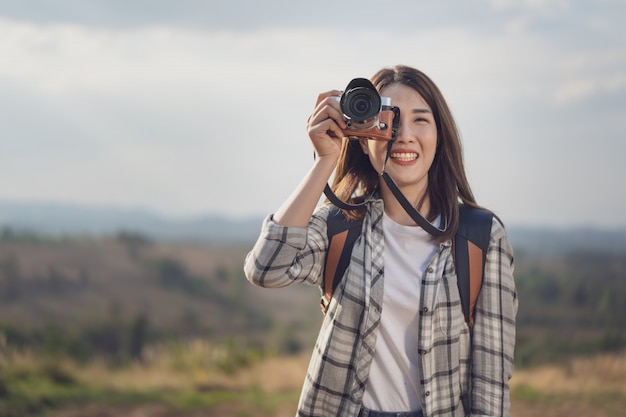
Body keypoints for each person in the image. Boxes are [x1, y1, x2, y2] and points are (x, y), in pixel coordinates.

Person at [244, 65, 517, 417]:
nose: (404, 135)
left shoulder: (479, 236)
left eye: (421, 120)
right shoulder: (340, 225)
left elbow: (491, 384)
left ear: (440, 135)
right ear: (361, 134)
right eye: (389, 120)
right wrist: (325, 160)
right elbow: (265, 268)